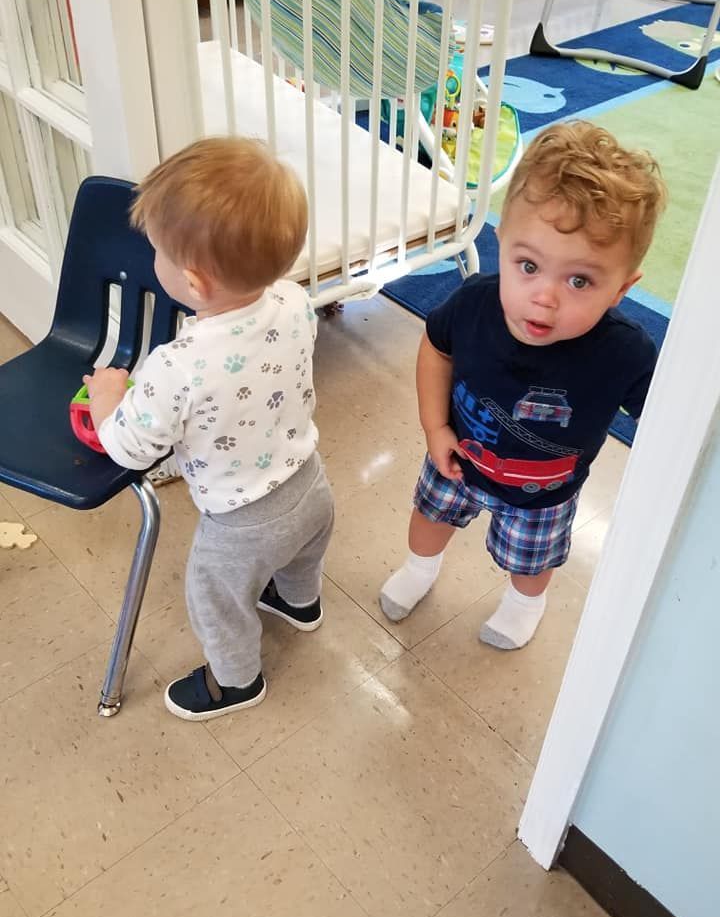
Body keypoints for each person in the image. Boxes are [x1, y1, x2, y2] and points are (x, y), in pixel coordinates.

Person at [380, 120, 666, 649]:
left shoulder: (625, 352)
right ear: (501, 242)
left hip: (545, 494)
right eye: (528, 265)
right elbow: (437, 347)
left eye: (580, 280)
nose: (545, 297)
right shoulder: (472, 304)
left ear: (621, 289)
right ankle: (421, 569)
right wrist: (434, 425)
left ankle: (524, 603)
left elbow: (666, 424)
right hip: (458, 457)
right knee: (428, 517)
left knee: (531, 562)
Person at [84, 137, 334, 720]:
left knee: (214, 599)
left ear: (194, 284)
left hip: (239, 520)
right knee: (301, 555)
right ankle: (300, 605)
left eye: (157, 253)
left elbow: (128, 446)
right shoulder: (296, 300)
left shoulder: (176, 366)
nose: (152, 260)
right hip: (310, 484)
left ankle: (236, 681)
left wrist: (107, 398)